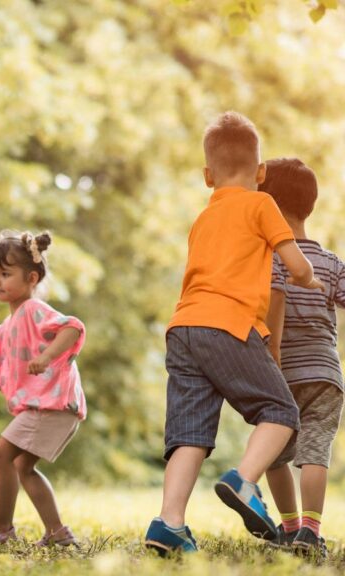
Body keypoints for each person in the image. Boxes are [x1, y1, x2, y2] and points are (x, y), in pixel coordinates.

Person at [143, 112, 323, 556]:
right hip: (228, 324)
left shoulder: (204, 218)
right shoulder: (262, 204)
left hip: (183, 327)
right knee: (281, 413)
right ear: (261, 174)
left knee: (189, 434)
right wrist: (310, 280)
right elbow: (295, 263)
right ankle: (244, 481)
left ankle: (169, 523)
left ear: (208, 176)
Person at [0, 231, 86, 546]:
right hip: (52, 407)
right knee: (22, 466)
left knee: (1, 455)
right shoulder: (12, 322)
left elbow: (72, 327)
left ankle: (2, 529)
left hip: (52, 405)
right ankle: (58, 533)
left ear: (31, 277)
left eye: (5, 274)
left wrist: (46, 356)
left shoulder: (33, 309)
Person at [259, 158, 343, 558]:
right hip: (326, 374)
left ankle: (290, 527)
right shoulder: (330, 263)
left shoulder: (267, 260)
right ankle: (310, 530)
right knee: (315, 450)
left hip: (280, 374)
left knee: (273, 453)